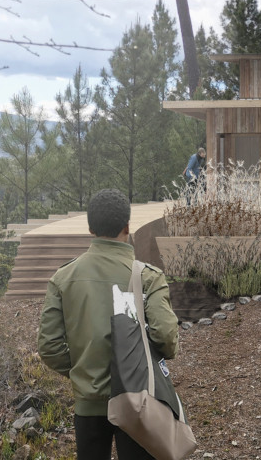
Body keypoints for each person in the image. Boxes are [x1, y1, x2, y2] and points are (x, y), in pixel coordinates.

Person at [38, 189, 179, 460]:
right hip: (139, 401)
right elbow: (165, 336)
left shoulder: (63, 278)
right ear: (127, 226)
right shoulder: (149, 277)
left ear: (90, 228)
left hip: (88, 403)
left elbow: (49, 346)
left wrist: (82, 371)